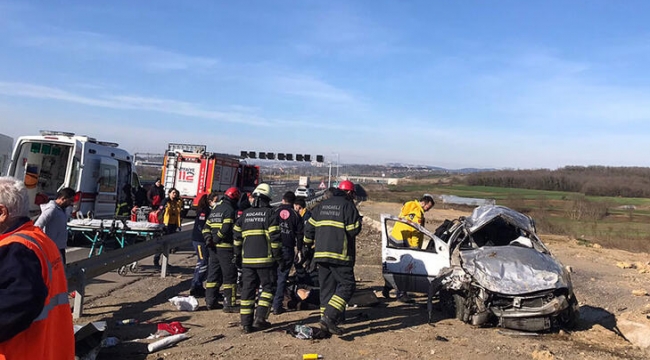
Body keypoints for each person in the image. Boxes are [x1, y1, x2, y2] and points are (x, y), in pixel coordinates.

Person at [0, 176, 75, 359]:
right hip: (49, 349)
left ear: (2, 212)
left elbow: (17, 305)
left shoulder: (15, 250)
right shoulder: (39, 241)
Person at [304, 180, 362, 336]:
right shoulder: (348, 206)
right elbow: (353, 231)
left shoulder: (322, 205)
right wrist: (358, 221)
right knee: (347, 285)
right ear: (349, 193)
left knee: (327, 288)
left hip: (321, 254)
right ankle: (329, 318)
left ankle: (328, 319)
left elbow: (309, 228)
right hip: (340, 254)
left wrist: (306, 247)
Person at [233, 183, 282, 333]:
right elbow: (275, 239)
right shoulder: (271, 214)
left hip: (247, 261)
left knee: (247, 292)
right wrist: (279, 257)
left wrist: (237, 255)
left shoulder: (245, 214)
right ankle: (260, 319)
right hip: (266, 261)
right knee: (268, 289)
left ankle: (245, 324)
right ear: (268, 198)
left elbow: (236, 237)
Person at [384, 194, 436, 303]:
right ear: (424, 203)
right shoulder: (418, 213)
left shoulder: (410, 205)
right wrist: (415, 247)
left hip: (396, 236)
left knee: (396, 267)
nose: (428, 210)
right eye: (428, 207)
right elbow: (415, 232)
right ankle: (401, 294)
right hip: (405, 240)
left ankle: (387, 288)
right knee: (406, 269)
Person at [203, 187, 240, 312]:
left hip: (213, 249)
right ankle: (229, 304)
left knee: (213, 274)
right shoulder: (229, 210)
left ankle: (210, 301)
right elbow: (226, 228)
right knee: (229, 276)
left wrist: (209, 240)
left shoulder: (215, 209)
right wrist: (216, 239)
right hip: (225, 248)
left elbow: (205, 228)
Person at [271, 191, 304, 315]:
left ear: (283, 200)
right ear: (293, 202)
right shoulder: (296, 215)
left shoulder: (274, 212)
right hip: (288, 249)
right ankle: (277, 305)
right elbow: (300, 235)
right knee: (282, 276)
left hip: (273, 248)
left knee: (270, 276)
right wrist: (299, 250)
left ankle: (264, 305)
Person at [34, 187, 75, 264]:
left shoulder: (63, 209)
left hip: (60, 247)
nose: (71, 203)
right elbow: (38, 225)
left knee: (61, 271)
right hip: (51, 248)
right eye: (70, 200)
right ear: (63, 198)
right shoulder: (52, 209)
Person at [189, 192, 219, 298]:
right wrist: (207, 237)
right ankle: (196, 286)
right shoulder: (203, 212)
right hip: (200, 241)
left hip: (201, 241)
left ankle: (197, 285)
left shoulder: (209, 211)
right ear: (209, 201)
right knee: (203, 263)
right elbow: (201, 227)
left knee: (201, 262)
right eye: (215, 200)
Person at [153, 188, 183, 267]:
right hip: (166, 225)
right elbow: (159, 212)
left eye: (175, 193)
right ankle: (156, 259)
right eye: (173, 193)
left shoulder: (176, 202)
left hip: (173, 224)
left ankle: (165, 263)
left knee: (169, 244)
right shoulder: (165, 201)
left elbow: (178, 212)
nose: (174, 194)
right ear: (169, 193)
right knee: (162, 243)